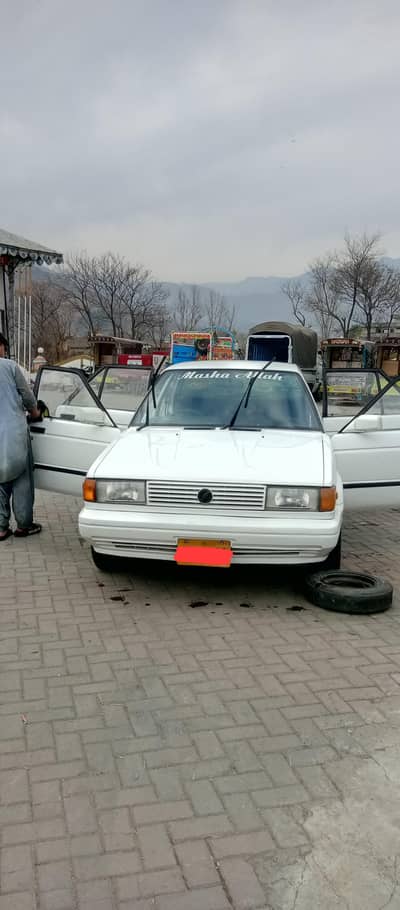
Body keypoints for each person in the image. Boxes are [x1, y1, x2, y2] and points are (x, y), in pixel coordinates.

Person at [0, 332, 42, 540]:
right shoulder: (9, 366)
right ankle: (24, 525)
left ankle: (1, 527)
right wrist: (35, 413)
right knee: (22, 478)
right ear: (2, 347)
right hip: (14, 432)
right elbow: (27, 394)